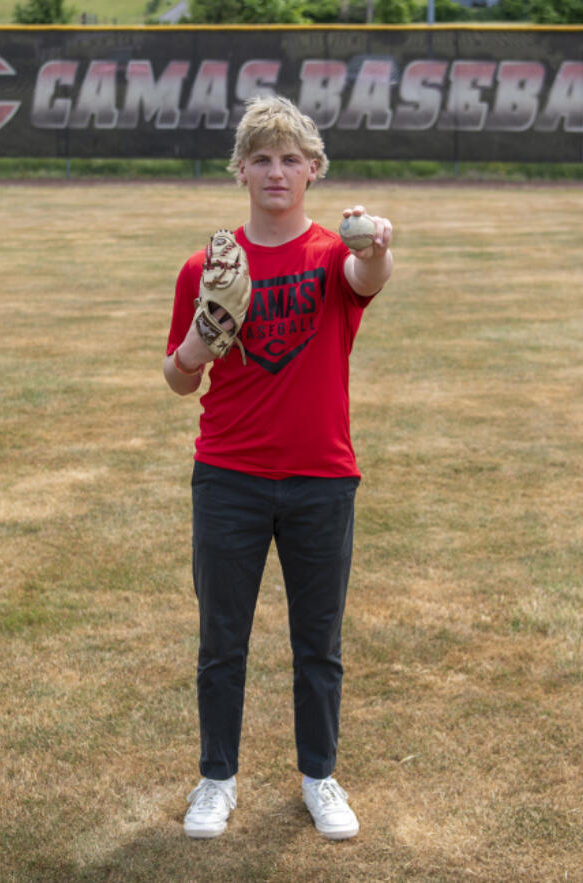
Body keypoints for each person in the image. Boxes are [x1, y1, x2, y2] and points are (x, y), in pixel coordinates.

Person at [162, 94, 394, 841]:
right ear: (239, 170)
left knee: (317, 642)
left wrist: (378, 244)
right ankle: (216, 778)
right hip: (227, 475)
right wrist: (201, 338)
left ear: (314, 171)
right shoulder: (207, 265)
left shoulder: (333, 257)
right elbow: (176, 375)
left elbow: (367, 279)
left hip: (321, 476)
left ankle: (320, 774)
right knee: (220, 639)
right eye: (260, 157)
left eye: (290, 158)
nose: (275, 170)